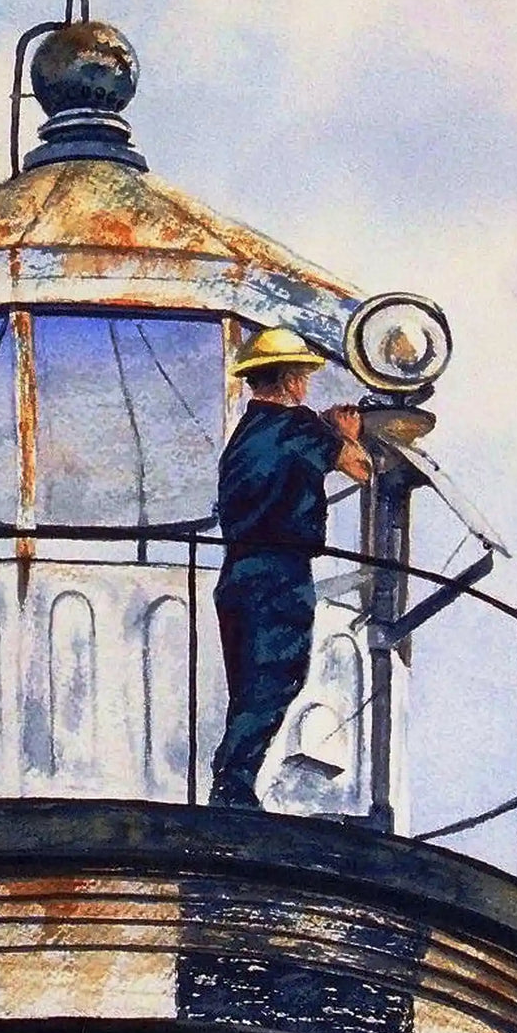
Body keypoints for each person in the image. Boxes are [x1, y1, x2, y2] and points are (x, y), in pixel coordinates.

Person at [209, 327, 372, 809]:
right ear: (291, 380)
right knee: (277, 678)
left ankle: (231, 781)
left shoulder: (246, 433)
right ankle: (233, 786)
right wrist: (343, 434)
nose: (306, 383)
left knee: (248, 686)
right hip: (281, 572)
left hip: (237, 574)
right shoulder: (299, 427)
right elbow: (362, 469)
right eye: (303, 374)